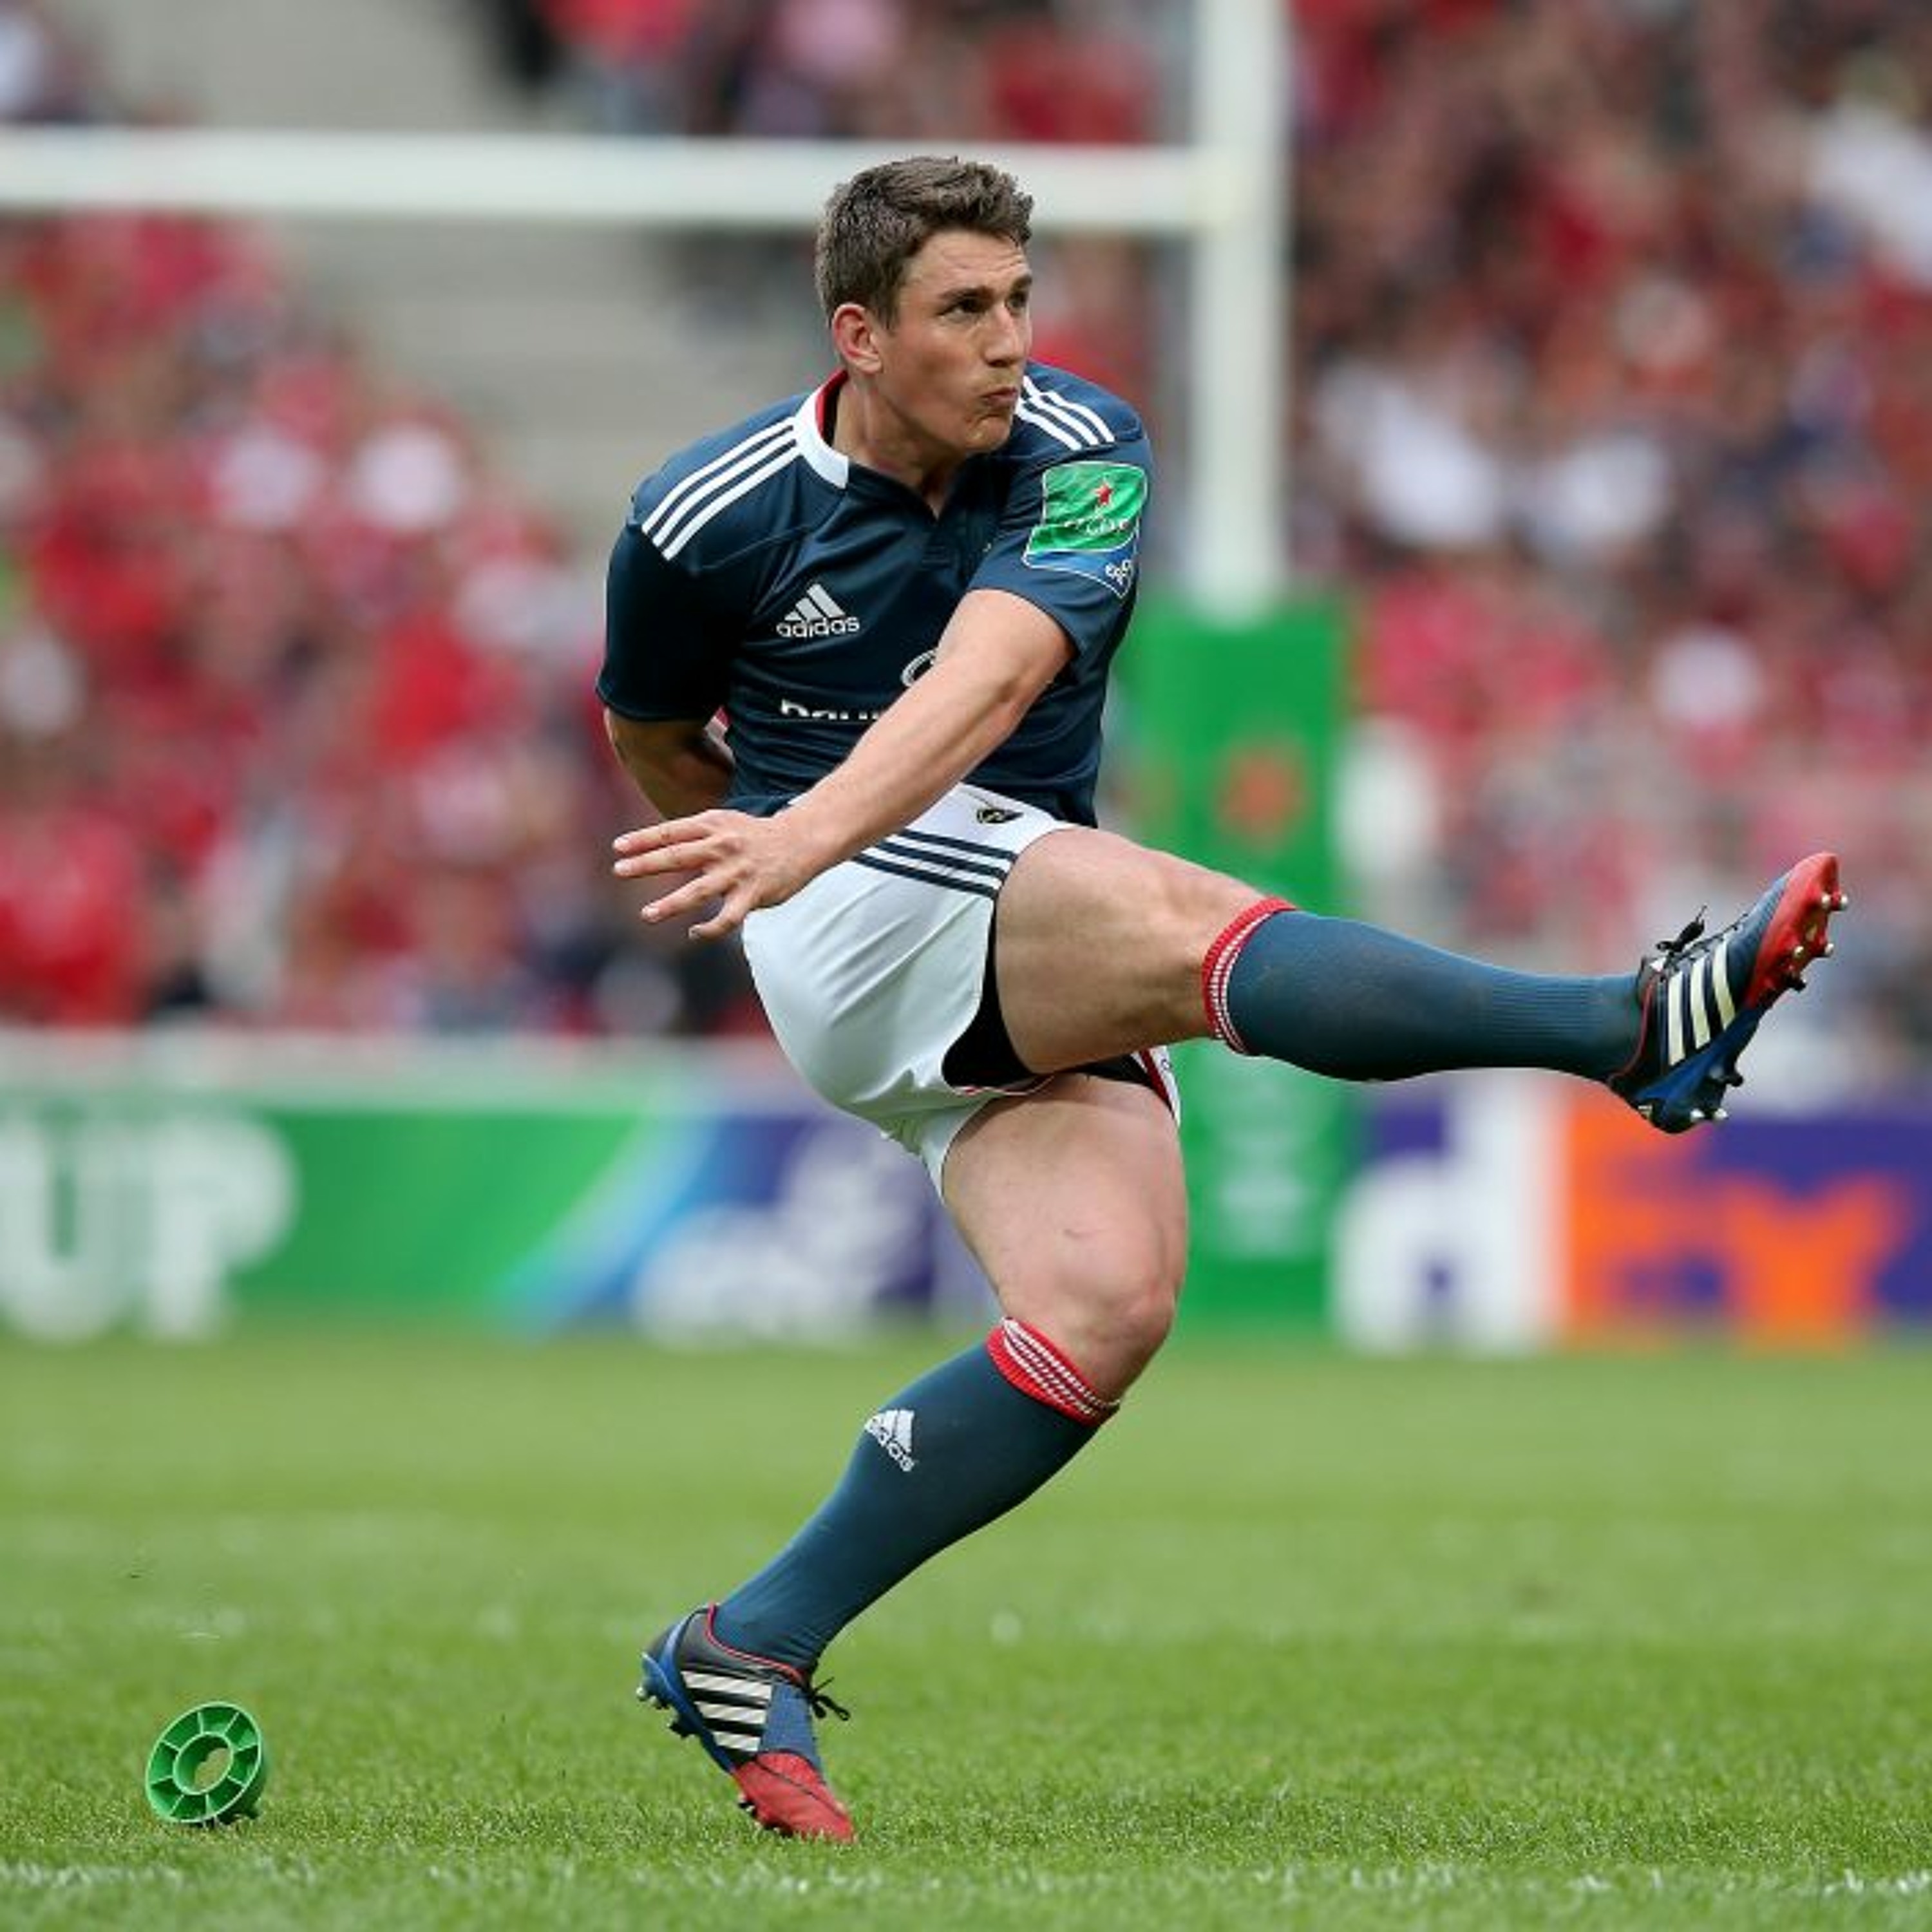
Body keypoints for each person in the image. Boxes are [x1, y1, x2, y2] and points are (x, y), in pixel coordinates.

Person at [598, 156, 1846, 1842]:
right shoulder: (705, 516)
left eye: (1019, 299)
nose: (1009, 341)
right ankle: (1627, 1028)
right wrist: (782, 864)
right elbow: (651, 732)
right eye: (963, 310)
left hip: (997, 910)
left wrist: (804, 831)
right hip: (857, 909)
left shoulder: (1083, 446)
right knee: (1201, 926)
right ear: (861, 334)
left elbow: (997, 676)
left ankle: (752, 1642)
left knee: (1104, 1306)